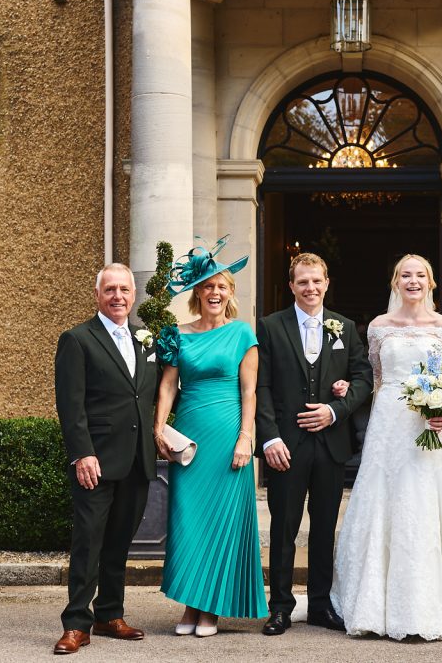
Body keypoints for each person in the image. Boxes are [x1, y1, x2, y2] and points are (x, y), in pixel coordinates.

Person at [329, 254, 442, 640]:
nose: (412, 281)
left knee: (423, 504)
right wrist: (348, 388)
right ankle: (372, 606)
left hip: (428, 426)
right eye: (405, 275)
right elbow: (377, 381)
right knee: (383, 501)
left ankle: (425, 607)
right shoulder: (379, 327)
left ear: (431, 283)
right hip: (388, 424)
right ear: (395, 282)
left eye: (420, 275)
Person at [152, 240, 266, 637]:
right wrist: (158, 428)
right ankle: (190, 604)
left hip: (228, 437)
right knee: (189, 522)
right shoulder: (176, 335)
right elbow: (167, 387)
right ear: (196, 293)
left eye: (221, 286)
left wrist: (245, 438)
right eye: (207, 287)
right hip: (192, 439)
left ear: (229, 292)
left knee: (224, 523)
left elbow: (250, 392)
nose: (214, 293)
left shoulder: (241, 334)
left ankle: (212, 610)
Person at [255, 252, 372, 636]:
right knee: (284, 528)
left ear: (326, 283)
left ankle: (321, 605)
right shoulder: (271, 327)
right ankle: (281, 608)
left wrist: (336, 409)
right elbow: (262, 387)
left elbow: (363, 378)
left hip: (330, 445)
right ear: (291, 286)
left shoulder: (345, 326)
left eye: (316, 281)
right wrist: (269, 437)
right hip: (285, 446)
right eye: (302, 282)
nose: (310, 288)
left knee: (324, 528)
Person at [53, 263, 159, 654]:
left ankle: (109, 613)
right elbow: (70, 404)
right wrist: (82, 453)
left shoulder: (145, 341)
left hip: (137, 460)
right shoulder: (78, 339)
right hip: (96, 461)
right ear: (97, 295)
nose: (118, 296)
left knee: (119, 542)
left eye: (124, 290)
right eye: (110, 289)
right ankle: (76, 623)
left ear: (134, 295)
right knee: (88, 542)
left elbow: (146, 396)